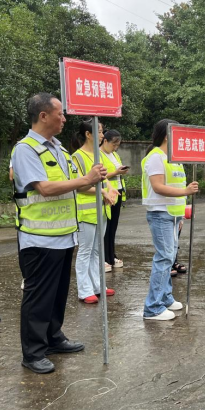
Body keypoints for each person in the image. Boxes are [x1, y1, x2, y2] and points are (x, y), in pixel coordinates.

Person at [12, 93, 107, 373]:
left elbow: (72, 186)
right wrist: (86, 179)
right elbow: (43, 187)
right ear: (43, 116)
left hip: (64, 235)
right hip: (38, 238)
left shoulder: (59, 150)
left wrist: (94, 178)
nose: (64, 118)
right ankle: (32, 353)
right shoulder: (26, 149)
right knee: (38, 296)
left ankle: (54, 337)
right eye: (60, 114)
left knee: (57, 294)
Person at [141, 119, 198, 320]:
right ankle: (153, 307)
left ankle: (165, 297)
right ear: (167, 135)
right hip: (160, 213)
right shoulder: (156, 157)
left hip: (173, 214)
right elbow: (158, 186)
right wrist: (185, 191)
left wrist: (180, 213)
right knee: (164, 257)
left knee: (169, 257)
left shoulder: (173, 158)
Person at [72, 120, 118, 304]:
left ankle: (98, 286)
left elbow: (105, 179)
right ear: (88, 134)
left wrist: (110, 189)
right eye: (98, 132)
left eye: (102, 131)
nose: (102, 135)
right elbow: (79, 185)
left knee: (97, 251)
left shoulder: (100, 155)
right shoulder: (78, 157)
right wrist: (104, 192)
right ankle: (84, 290)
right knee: (85, 251)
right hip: (86, 212)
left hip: (101, 210)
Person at [101, 130, 129, 271]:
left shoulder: (115, 155)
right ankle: (104, 258)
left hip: (117, 192)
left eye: (117, 145)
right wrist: (116, 172)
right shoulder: (98, 154)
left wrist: (121, 171)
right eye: (113, 144)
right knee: (105, 228)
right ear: (105, 141)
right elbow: (102, 175)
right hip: (106, 194)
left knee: (113, 228)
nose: (115, 147)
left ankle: (112, 256)